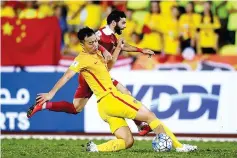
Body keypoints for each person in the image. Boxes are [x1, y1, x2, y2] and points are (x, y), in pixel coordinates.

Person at [35, 27, 197, 152]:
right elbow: (67, 76)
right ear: (82, 44)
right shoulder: (81, 59)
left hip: (104, 107)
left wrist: (118, 48)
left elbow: (108, 68)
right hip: (111, 97)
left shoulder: (97, 53)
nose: (95, 44)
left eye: (95, 41)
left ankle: (96, 149)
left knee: (127, 141)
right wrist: (51, 93)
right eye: (90, 43)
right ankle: (179, 146)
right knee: (150, 116)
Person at [27, 10, 155, 136]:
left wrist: (141, 50)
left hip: (98, 73)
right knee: (125, 93)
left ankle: (43, 106)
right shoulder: (101, 33)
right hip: (92, 75)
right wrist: (104, 50)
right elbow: (69, 73)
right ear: (114, 23)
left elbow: (121, 46)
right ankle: (140, 125)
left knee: (76, 108)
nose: (125, 25)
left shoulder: (111, 36)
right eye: (123, 22)